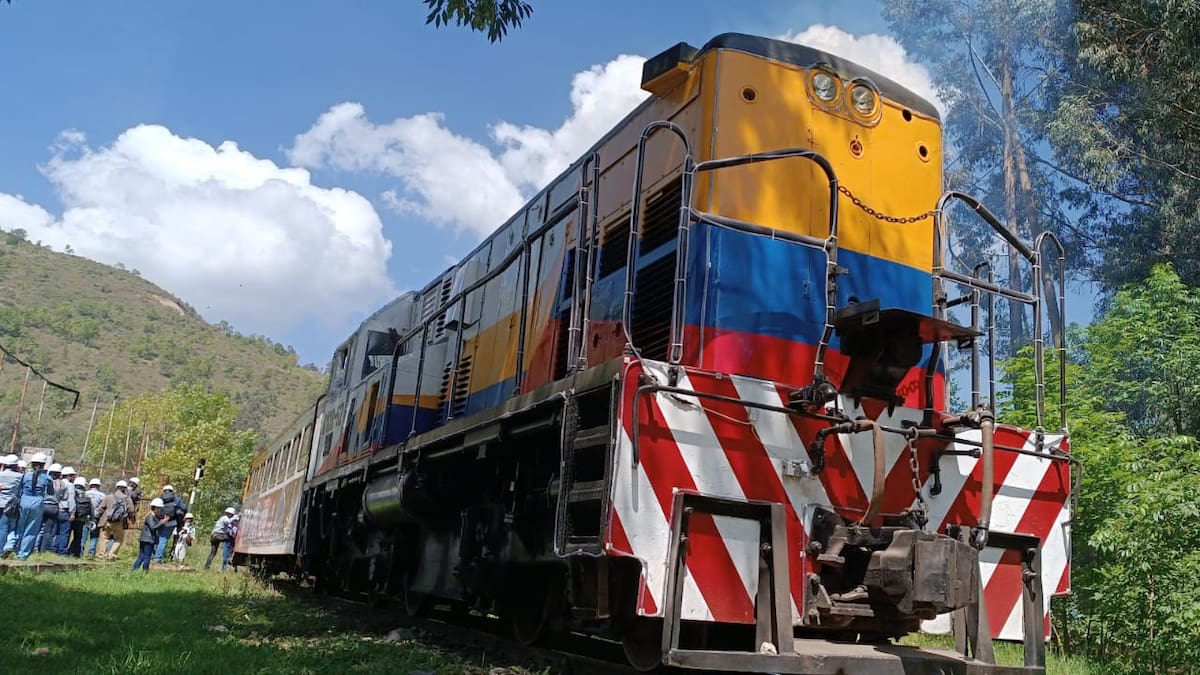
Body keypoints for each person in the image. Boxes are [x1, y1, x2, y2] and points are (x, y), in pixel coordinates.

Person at [13, 453, 54, 559]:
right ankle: (23, 554)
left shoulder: (25, 475)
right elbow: (51, 492)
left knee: (20, 526)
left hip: (24, 500)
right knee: (31, 529)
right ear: (44, 465)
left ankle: (15, 548)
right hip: (37, 502)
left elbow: (20, 489)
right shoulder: (47, 478)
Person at [93, 480, 133, 559]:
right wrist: (131, 519)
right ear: (124, 488)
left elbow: (101, 508)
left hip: (106, 521)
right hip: (119, 522)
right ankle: (111, 555)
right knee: (119, 539)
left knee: (104, 538)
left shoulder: (109, 496)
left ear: (116, 487)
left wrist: (98, 517)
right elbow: (131, 510)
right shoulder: (127, 499)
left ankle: (101, 555)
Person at [152, 484, 188, 563]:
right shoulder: (177, 499)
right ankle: (157, 558)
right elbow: (184, 508)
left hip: (159, 521)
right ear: (172, 491)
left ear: (164, 491)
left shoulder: (160, 498)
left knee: (156, 538)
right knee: (163, 539)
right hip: (171, 522)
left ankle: (152, 555)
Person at [132, 498, 169, 572]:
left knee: (142, 556)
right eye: (159, 508)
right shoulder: (150, 516)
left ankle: (134, 570)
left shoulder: (154, 516)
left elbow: (158, 527)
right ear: (155, 508)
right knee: (146, 557)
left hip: (146, 539)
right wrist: (162, 522)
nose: (160, 510)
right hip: (148, 539)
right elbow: (153, 527)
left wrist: (163, 523)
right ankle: (145, 571)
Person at [0, 454, 21, 557]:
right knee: (4, 527)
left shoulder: (0, 475)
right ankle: (1, 550)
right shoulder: (20, 477)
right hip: (9, 505)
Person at [205, 507, 236, 572]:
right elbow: (229, 522)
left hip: (214, 536)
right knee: (231, 539)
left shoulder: (222, 518)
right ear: (230, 514)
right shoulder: (225, 518)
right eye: (232, 515)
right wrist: (236, 517)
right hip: (218, 535)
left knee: (212, 553)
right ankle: (231, 555)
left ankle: (206, 567)